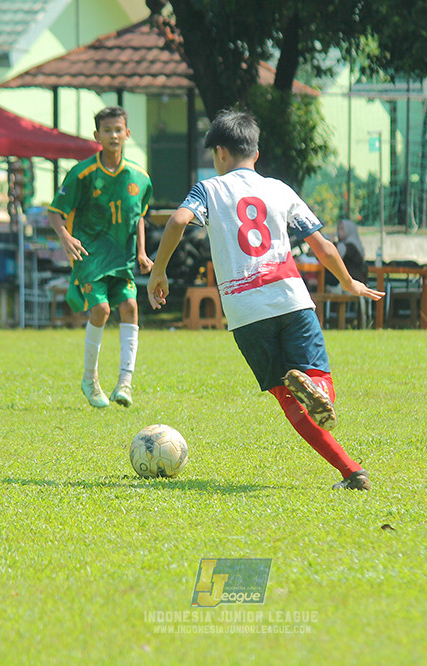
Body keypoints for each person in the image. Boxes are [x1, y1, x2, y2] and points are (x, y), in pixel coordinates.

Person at [147, 110, 384, 490]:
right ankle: (319, 394)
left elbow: (177, 222)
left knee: (286, 397)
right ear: (255, 153)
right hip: (290, 297)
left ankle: (352, 471)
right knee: (319, 383)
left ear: (219, 153)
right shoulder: (280, 190)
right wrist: (349, 282)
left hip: (245, 310)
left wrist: (158, 272)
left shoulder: (208, 189)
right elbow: (321, 246)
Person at [48, 106, 153, 409]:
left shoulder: (140, 178)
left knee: (131, 306)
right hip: (90, 258)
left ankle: (125, 383)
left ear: (127, 134)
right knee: (102, 310)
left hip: (123, 259)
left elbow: (139, 217)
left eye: (118, 129)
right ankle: (90, 379)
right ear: (97, 135)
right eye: (107, 130)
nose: (113, 135)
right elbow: (55, 212)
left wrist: (143, 252)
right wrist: (66, 237)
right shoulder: (82, 174)